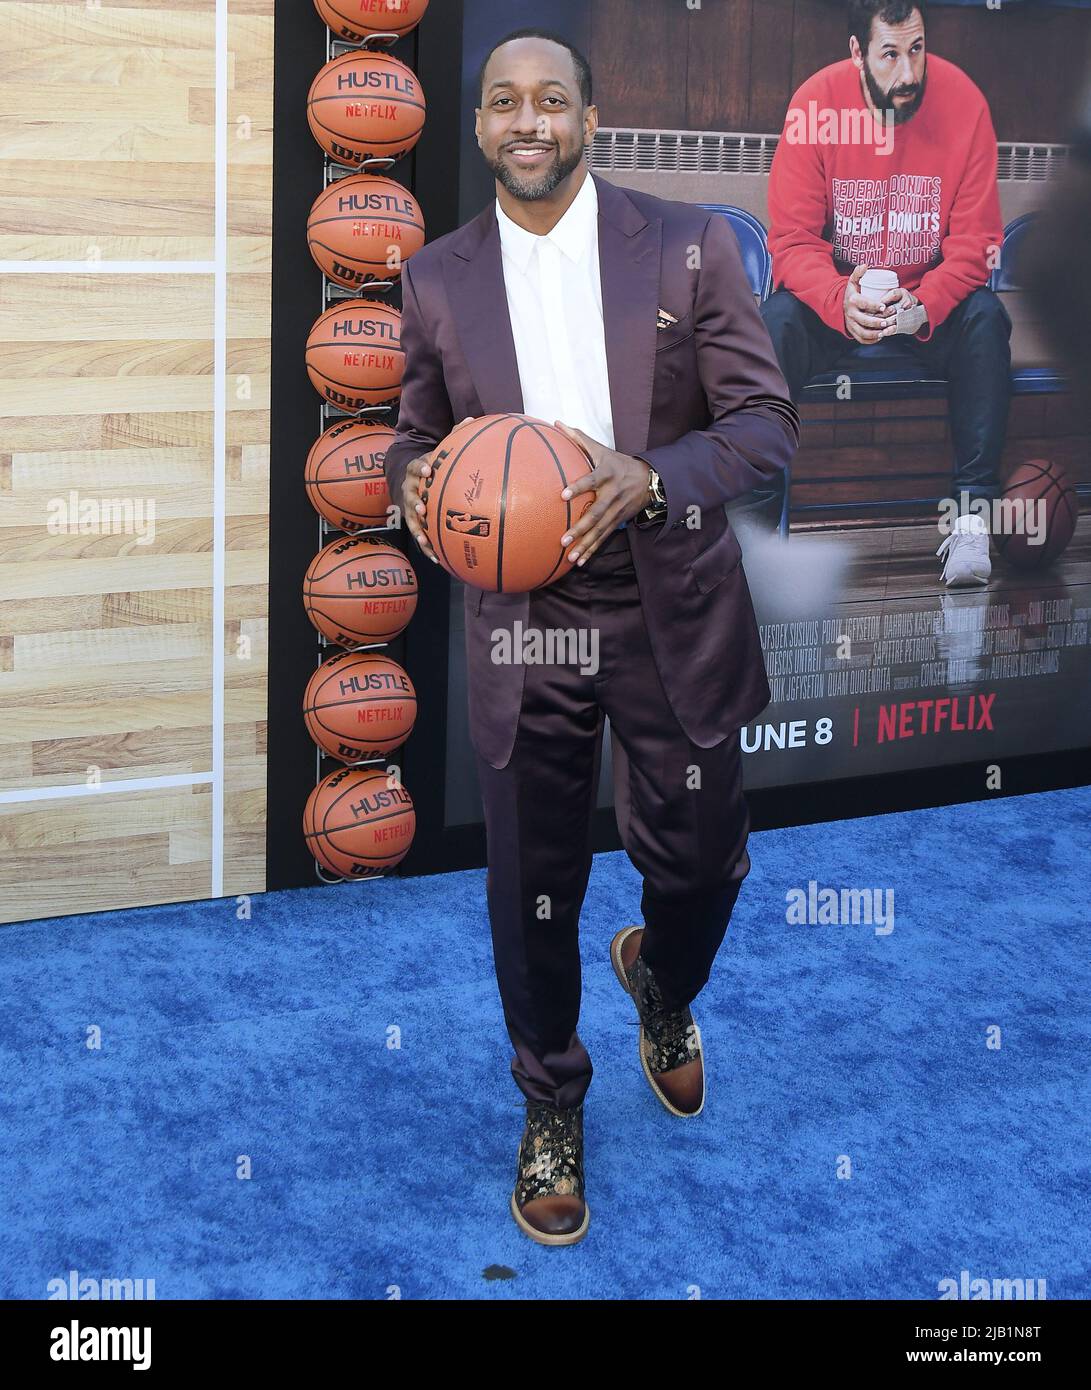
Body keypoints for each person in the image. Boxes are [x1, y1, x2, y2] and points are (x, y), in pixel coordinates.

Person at [382, 29, 799, 1246]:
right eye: (502, 102)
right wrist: (418, 486)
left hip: (666, 598)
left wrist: (650, 477)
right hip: (527, 619)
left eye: (549, 100)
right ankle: (550, 1098)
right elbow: (413, 436)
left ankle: (661, 982)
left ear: (589, 118)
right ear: (478, 128)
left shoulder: (686, 242)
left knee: (700, 860)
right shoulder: (436, 277)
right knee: (534, 881)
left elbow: (765, 423)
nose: (527, 120)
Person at [760, 0, 1010, 587]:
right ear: (857, 53)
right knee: (773, 325)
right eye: (890, 54)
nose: (908, 73)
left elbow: (977, 244)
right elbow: (792, 241)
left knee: (986, 318)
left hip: (926, 303)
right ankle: (756, 535)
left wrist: (928, 302)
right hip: (838, 303)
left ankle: (971, 525)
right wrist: (836, 299)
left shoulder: (965, 101)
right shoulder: (815, 104)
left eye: (917, 49)